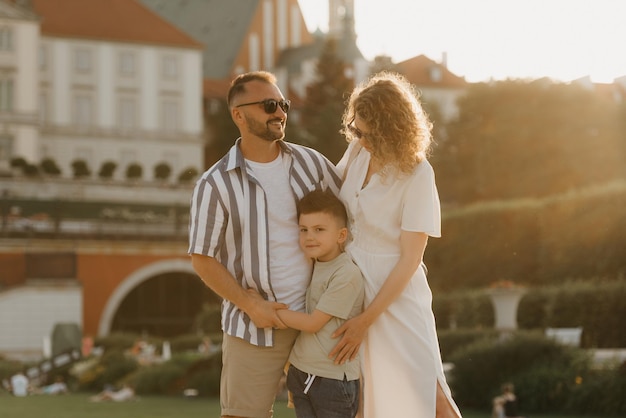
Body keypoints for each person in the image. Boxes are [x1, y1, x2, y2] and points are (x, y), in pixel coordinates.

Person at [188, 70, 341, 418]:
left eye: (283, 104)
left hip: (319, 319)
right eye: (270, 105)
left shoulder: (312, 163)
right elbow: (202, 258)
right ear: (238, 114)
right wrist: (250, 304)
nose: (280, 113)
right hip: (255, 326)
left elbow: (350, 219)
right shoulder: (214, 184)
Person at [330, 71, 463, 418]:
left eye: (367, 132)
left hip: (396, 296)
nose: (359, 138)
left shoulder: (419, 174)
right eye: (354, 129)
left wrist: (365, 321)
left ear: (392, 127)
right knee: (363, 399)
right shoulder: (357, 152)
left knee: (429, 394)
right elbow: (324, 193)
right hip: (350, 287)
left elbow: (410, 260)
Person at [276, 189, 364, 418]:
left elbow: (314, 323)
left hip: (332, 381)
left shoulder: (346, 274)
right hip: (301, 372)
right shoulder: (312, 265)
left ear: (341, 235)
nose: (309, 237)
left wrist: (269, 312)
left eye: (319, 230)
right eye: (303, 230)